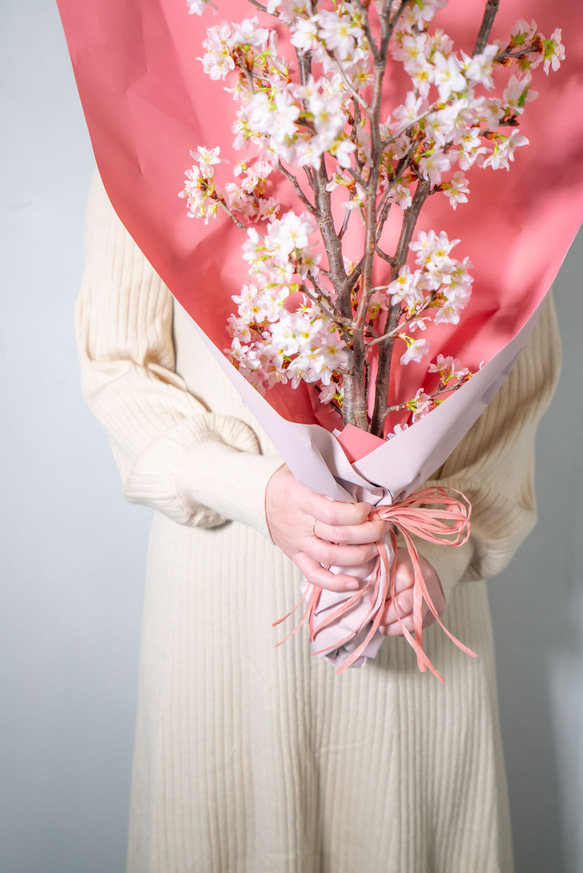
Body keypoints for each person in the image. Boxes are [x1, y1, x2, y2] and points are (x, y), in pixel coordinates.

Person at [76, 170, 561, 873]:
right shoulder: (160, 113)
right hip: (226, 608)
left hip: (414, 602)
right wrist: (252, 489)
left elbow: (517, 389)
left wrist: (438, 557)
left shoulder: (479, 120)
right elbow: (119, 366)